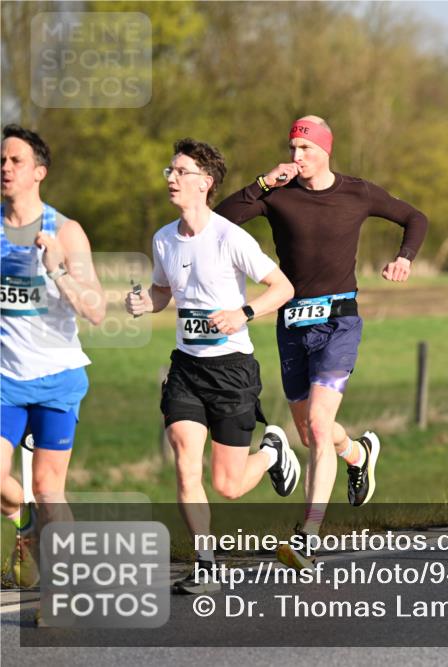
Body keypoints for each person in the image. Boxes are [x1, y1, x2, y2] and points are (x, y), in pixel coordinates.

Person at [215, 115, 428, 569]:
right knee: (312, 434)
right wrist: (262, 183)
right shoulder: (277, 194)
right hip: (291, 322)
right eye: (293, 148)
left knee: (317, 420)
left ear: (325, 149)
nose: (297, 157)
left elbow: (415, 217)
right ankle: (358, 453)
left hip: (339, 320)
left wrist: (405, 258)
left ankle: (308, 536)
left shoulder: (358, 192)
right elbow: (220, 221)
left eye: (306, 148)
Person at [126, 138, 298, 594]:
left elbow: (283, 287)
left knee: (228, 485)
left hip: (231, 370)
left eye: (181, 171)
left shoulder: (229, 237)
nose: (171, 178)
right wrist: (145, 302)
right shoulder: (164, 238)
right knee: (186, 463)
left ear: (205, 183)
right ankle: (206, 565)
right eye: (169, 170)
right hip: (186, 367)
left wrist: (243, 313)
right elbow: (163, 291)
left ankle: (272, 452)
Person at [1, 124, 106, 587]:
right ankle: (24, 523)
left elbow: (96, 310)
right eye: (1, 161)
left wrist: (58, 268)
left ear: (39, 172)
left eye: (16, 161)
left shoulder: (65, 231)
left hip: (56, 378)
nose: (5, 168)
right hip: (5, 379)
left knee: (48, 489)